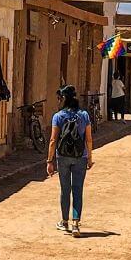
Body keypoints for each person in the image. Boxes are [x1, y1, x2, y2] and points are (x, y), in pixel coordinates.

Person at [47, 85, 93, 237]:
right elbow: (88, 139)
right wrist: (90, 158)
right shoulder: (84, 115)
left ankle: (64, 221)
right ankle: (76, 224)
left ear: (64, 99)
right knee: (78, 189)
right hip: (81, 156)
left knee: (65, 189)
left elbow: (53, 140)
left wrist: (49, 161)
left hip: (63, 156)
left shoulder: (58, 116)